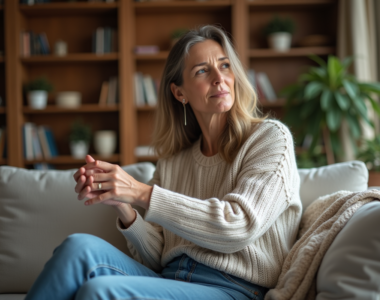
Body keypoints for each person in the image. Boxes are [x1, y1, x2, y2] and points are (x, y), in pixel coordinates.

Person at [25, 25, 302, 300]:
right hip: (170, 278)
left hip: (234, 288)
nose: (219, 78)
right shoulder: (173, 161)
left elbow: (239, 225)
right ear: (179, 93)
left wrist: (139, 192)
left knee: (100, 291)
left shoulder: (270, 138)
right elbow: (157, 256)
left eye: (225, 65)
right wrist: (122, 205)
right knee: (77, 248)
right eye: (202, 70)